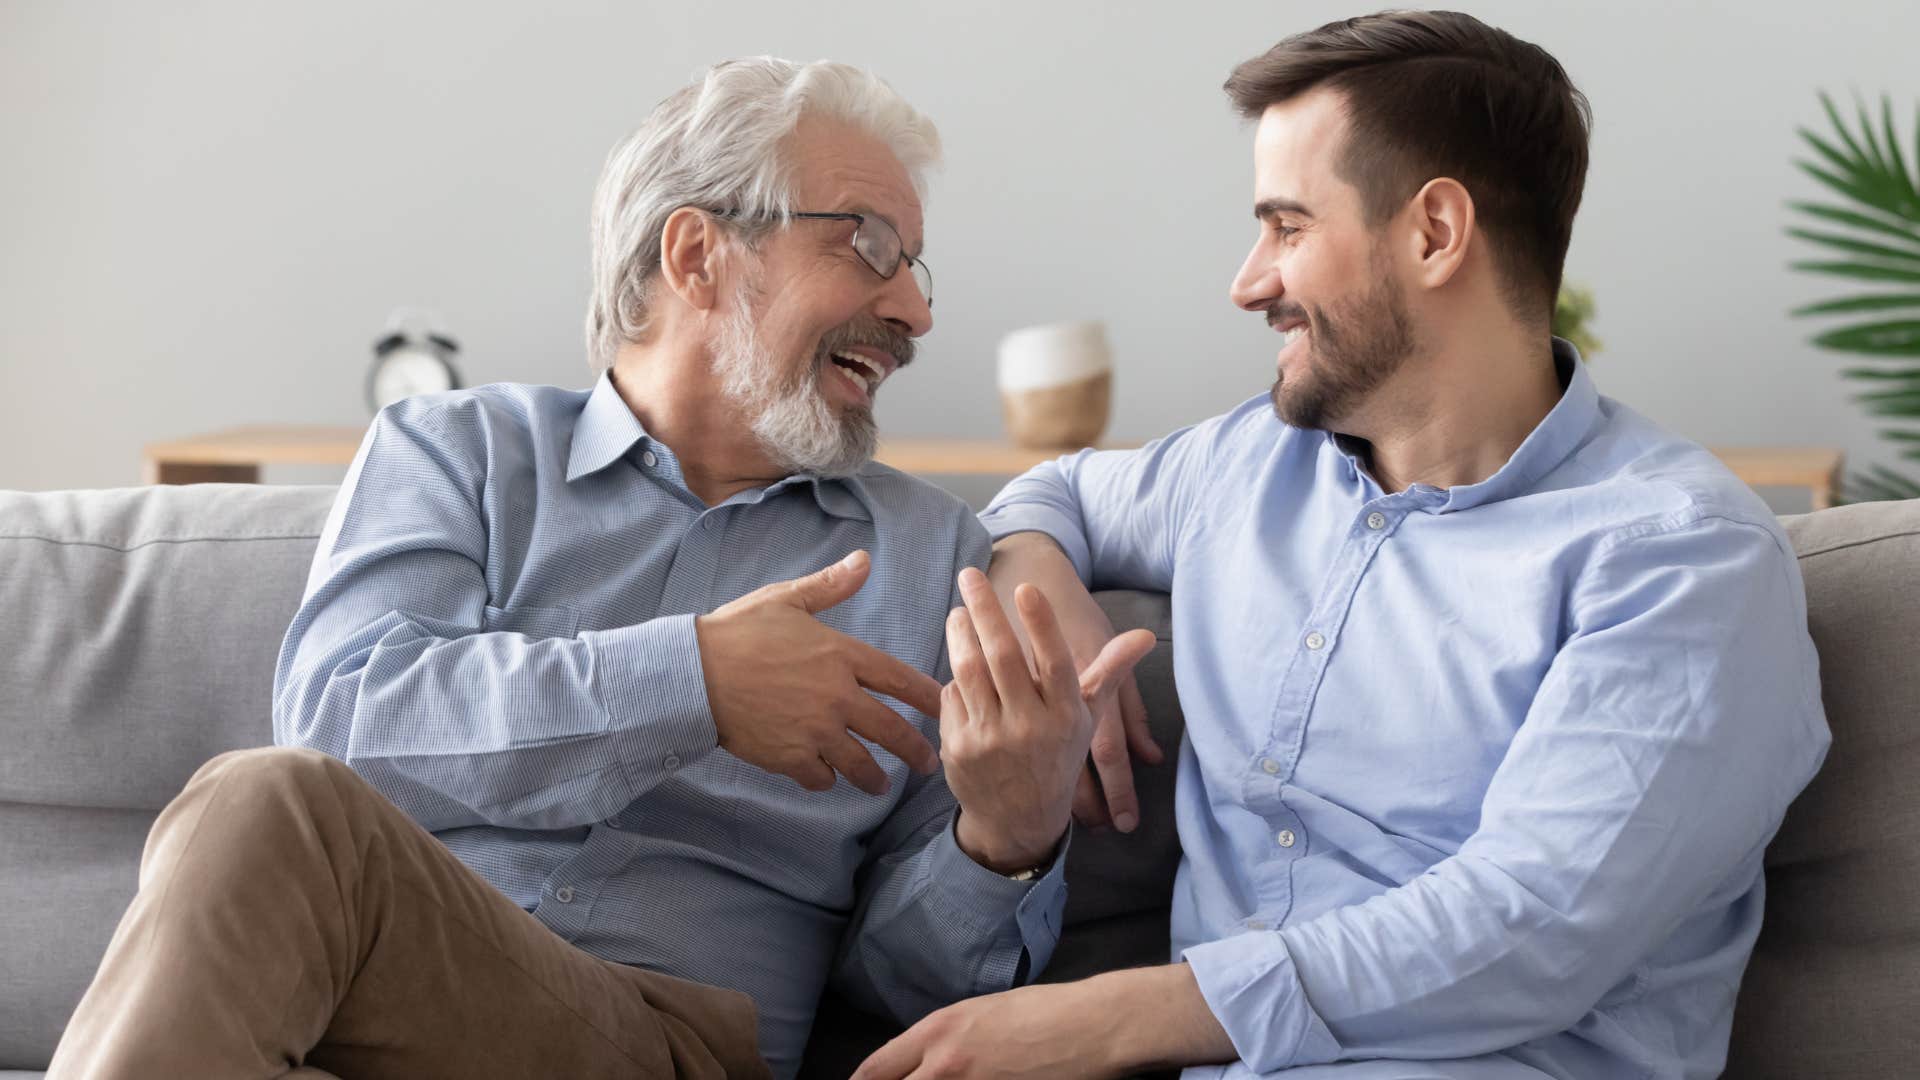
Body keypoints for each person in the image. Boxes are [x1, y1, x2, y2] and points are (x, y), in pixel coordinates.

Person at [48, 57, 1150, 1080]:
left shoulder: (931, 557)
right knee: (268, 798)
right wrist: (692, 684)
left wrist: (1001, 840)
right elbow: (340, 718)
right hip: (353, 1011)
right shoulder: (459, 455)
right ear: (696, 254)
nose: (914, 309)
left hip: (666, 1043)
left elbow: (908, 997)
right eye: (867, 244)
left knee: (263, 807)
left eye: (915, 266)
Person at [856, 12, 1830, 1079]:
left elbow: (1533, 926)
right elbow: (1052, 493)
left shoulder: (1680, 559)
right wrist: (1046, 581)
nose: (1248, 281)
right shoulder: (1247, 468)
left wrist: (1110, 1019)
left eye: (1286, 228)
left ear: (1434, 233)